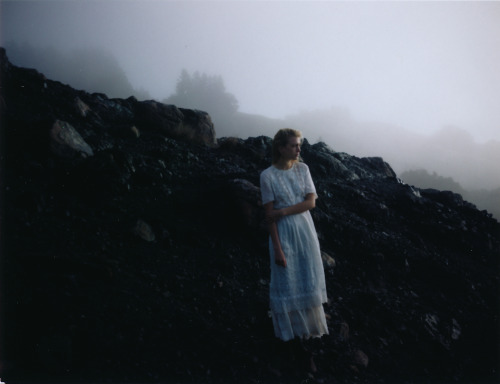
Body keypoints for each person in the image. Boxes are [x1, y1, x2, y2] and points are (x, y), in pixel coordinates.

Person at [260, 128, 329, 373]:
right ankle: (290, 341)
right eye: (293, 145)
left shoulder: (303, 169)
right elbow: (270, 216)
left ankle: (308, 340)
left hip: (305, 231)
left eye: (299, 145)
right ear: (280, 148)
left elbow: (311, 202)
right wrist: (277, 249)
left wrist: (283, 211)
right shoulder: (267, 176)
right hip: (283, 234)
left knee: (307, 279)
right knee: (286, 281)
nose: (298, 149)